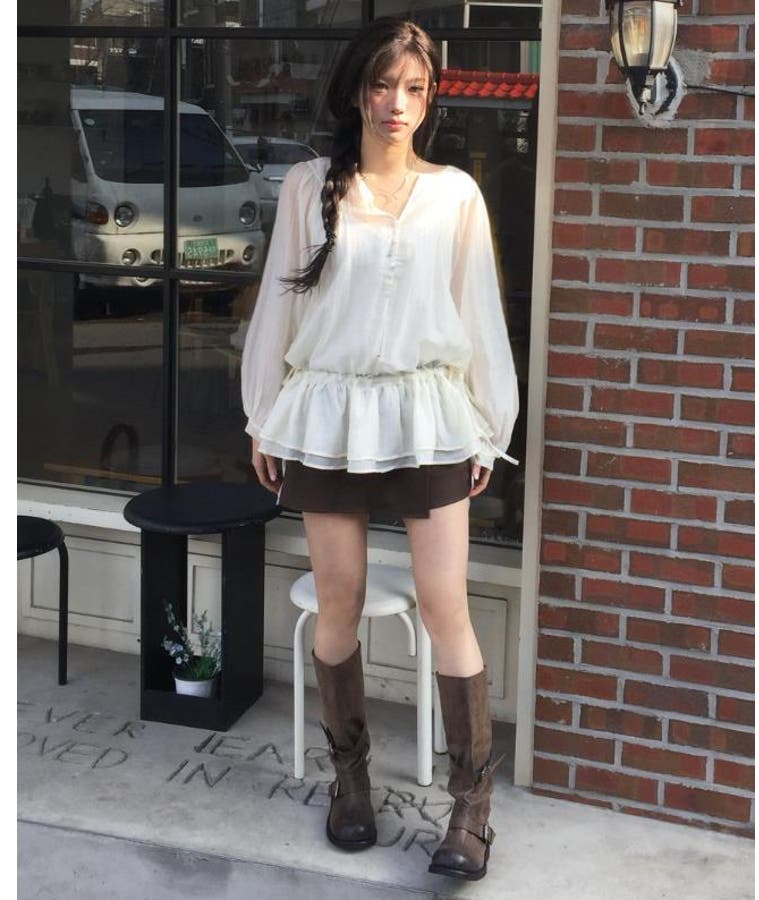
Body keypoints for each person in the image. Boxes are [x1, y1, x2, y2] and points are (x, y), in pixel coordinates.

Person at [240, 17, 519, 882]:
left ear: (430, 101)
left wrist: (488, 423)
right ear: (357, 89)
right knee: (341, 600)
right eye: (383, 84)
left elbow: (478, 313)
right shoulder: (308, 187)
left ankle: (471, 809)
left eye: (415, 88)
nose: (398, 103)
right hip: (327, 413)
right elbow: (280, 307)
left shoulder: (455, 194)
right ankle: (350, 782)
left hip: (429, 414)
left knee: (445, 604)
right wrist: (264, 416)